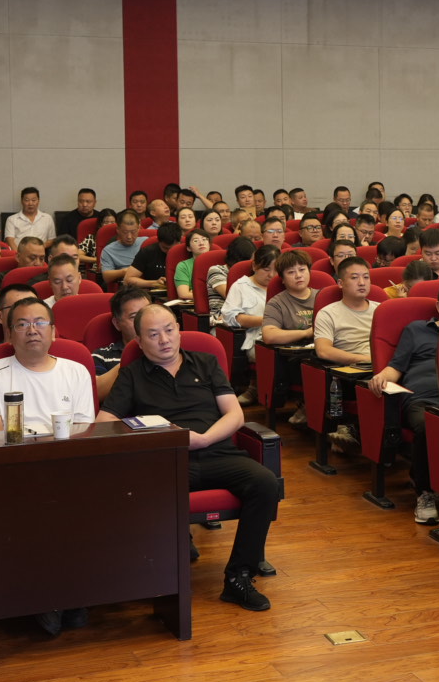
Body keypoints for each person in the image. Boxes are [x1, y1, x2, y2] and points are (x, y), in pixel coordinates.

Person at [98, 305, 277, 613]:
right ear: (139, 341)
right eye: (153, 334)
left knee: (265, 483)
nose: (164, 340)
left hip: (216, 451)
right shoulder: (132, 374)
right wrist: (158, 436)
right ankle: (157, 576)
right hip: (167, 460)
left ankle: (239, 577)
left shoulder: (205, 363)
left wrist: (205, 438)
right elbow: (104, 423)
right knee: (140, 492)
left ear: (179, 330)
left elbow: (234, 414)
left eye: (169, 330)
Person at [368, 280, 439, 524]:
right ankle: (424, 492)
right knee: (430, 426)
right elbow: (396, 367)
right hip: (424, 398)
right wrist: (381, 376)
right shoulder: (416, 330)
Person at [0, 297, 95, 438]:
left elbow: (82, 434)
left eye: (40, 323)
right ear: (9, 335)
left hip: (67, 450)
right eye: (22, 324)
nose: (32, 331)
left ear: (53, 332)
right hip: (11, 451)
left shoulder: (77, 372)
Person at [314, 257, 379, 452]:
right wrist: (364, 360)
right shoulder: (328, 313)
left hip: (384, 366)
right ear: (341, 283)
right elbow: (323, 350)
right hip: (352, 370)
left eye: (366, 277)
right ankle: (355, 432)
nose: (362, 282)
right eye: (355, 277)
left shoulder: (382, 309)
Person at [216, 244, 279, 402]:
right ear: (254, 266)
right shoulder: (241, 286)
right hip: (255, 337)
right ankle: (257, 388)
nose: (271, 275)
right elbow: (231, 318)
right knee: (275, 355)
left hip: (286, 335)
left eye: (276, 270)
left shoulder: (282, 285)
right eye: (266, 269)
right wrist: (266, 321)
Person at [261, 250, 316, 427]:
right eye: (291, 272)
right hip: (295, 357)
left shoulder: (322, 296)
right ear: (282, 279)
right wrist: (306, 333)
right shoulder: (277, 303)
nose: (298, 275)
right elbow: (269, 335)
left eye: (302, 270)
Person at [122, 221, 178, 292]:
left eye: (172, 249)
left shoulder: (187, 251)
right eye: (165, 248)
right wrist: (154, 283)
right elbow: (127, 280)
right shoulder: (147, 252)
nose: (169, 252)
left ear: (179, 242)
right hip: (155, 293)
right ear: (159, 242)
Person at [100, 211, 146, 286]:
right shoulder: (108, 250)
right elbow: (106, 276)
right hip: (126, 286)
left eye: (133, 232)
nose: (129, 237)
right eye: (125, 232)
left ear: (138, 229)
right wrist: (126, 271)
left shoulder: (146, 242)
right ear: (118, 230)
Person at [173, 231, 213, 301]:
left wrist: (195, 293)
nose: (201, 243)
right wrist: (214, 295)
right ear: (189, 248)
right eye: (195, 241)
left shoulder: (219, 262)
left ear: (209, 244)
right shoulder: (184, 266)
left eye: (204, 239)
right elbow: (183, 294)